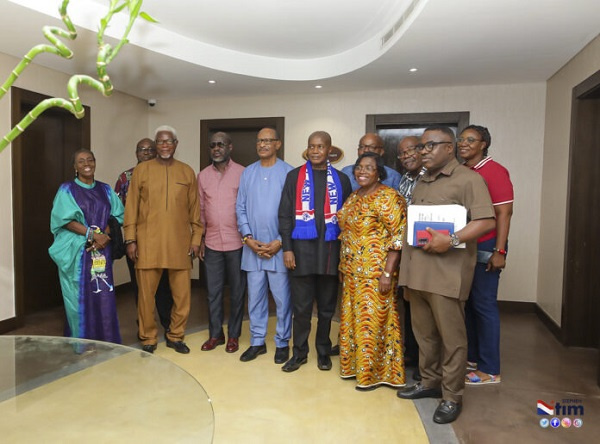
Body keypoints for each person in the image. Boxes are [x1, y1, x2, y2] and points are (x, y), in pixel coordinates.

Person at [397, 126, 495, 424]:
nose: (422, 151)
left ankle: (452, 396)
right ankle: (429, 382)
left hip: (447, 275)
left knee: (452, 339)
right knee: (424, 335)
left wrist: (451, 239)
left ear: (449, 147)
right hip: (417, 273)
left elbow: (486, 220)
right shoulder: (423, 181)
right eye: (422, 147)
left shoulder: (468, 179)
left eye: (429, 146)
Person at [124, 125, 202, 354]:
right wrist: (130, 239)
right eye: (161, 142)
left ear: (176, 144)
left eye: (169, 141)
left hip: (180, 243)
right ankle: (148, 338)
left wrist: (196, 239)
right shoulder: (142, 171)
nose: (165, 145)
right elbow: (131, 208)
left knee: (182, 296)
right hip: (148, 243)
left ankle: (176, 336)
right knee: (146, 297)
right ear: (156, 145)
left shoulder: (187, 171)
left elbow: (195, 211)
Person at [278, 131, 352, 372]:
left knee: (327, 309)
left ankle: (323, 350)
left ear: (329, 149)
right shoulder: (294, 177)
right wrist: (287, 249)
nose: (315, 151)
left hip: (330, 254)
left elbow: (348, 221)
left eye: (320, 146)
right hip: (301, 254)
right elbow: (284, 215)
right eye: (311, 146)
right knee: (300, 309)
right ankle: (299, 353)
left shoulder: (342, 180)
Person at [338, 152, 406, 390]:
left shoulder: (389, 197)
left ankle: (374, 375)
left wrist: (388, 273)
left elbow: (398, 238)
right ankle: (354, 368)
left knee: (373, 322)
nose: (362, 171)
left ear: (379, 172)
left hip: (376, 273)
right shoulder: (354, 196)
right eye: (359, 167)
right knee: (354, 322)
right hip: (351, 271)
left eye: (369, 167)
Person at [458, 125, 514, 385]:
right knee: (469, 304)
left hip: (486, 247)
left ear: (484, 144)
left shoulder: (495, 171)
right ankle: (473, 357)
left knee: (484, 306)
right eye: (461, 139)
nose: (464, 144)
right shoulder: (465, 171)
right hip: (465, 247)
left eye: (471, 140)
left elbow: (504, 213)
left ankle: (490, 369)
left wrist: (499, 251)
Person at [49, 149, 124, 343]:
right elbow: (63, 219)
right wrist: (92, 234)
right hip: (78, 251)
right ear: (75, 167)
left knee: (103, 294)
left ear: (95, 162)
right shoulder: (67, 189)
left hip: (101, 251)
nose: (86, 164)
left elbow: (117, 215)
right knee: (77, 297)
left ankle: (106, 341)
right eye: (81, 161)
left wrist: (104, 235)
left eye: (90, 159)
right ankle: (82, 342)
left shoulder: (106, 189)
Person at [236, 128, 294, 364]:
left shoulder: (289, 172)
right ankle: (257, 342)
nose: (262, 144)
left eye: (268, 140)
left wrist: (280, 242)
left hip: (278, 249)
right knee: (256, 298)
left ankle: (282, 342)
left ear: (278, 144)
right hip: (252, 249)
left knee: (282, 299)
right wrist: (248, 238)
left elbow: (293, 213)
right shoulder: (248, 173)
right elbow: (240, 208)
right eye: (259, 140)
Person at [114, 138, 173, 335]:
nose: (146, 153)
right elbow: (117, 210)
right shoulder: (125, 178)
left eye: (150, 149)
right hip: (136, 241)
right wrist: (131, 237)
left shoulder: (166, 174)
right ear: (136, 153)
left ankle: (167, 324)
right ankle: (145, 327)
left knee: (164, 286)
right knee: (140, 287)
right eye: (142, 150)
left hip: (162, 240)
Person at [197, 132, 246, 353]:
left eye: (221, 145)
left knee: (237, 291)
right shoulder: (203, 176)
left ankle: (234, 335)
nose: (216, 149)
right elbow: (199, 210)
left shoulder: (243, 173)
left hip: (238, 244)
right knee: (213, 292)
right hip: (212, 243)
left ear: (230, 147)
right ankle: (215, 334)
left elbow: (248, 207)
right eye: (213, 145)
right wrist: (199, 239)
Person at [396, 135, 427, 380]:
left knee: (425, 311)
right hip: (406, 252)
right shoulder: (405, 179)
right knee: (408, 305)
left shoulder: (433, 177)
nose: (406, 156)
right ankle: (412, 356)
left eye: (410, 151)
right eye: (402, 153)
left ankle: (426, 365)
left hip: (429, 253)